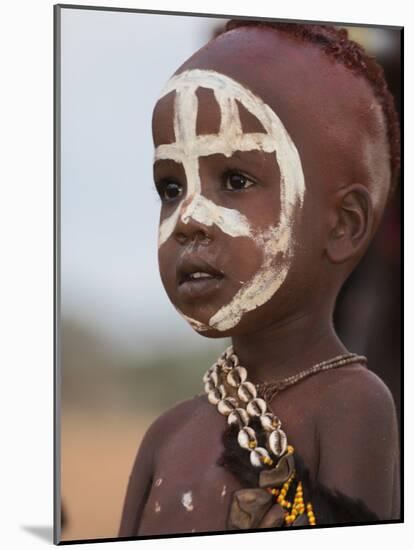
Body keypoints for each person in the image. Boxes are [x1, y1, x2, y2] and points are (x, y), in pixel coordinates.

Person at [118, 20, 400, 537]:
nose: (189, 218)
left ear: (343, 225)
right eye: (171, 186)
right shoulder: (166, 436)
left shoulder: (352, 405)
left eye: (235, 180)